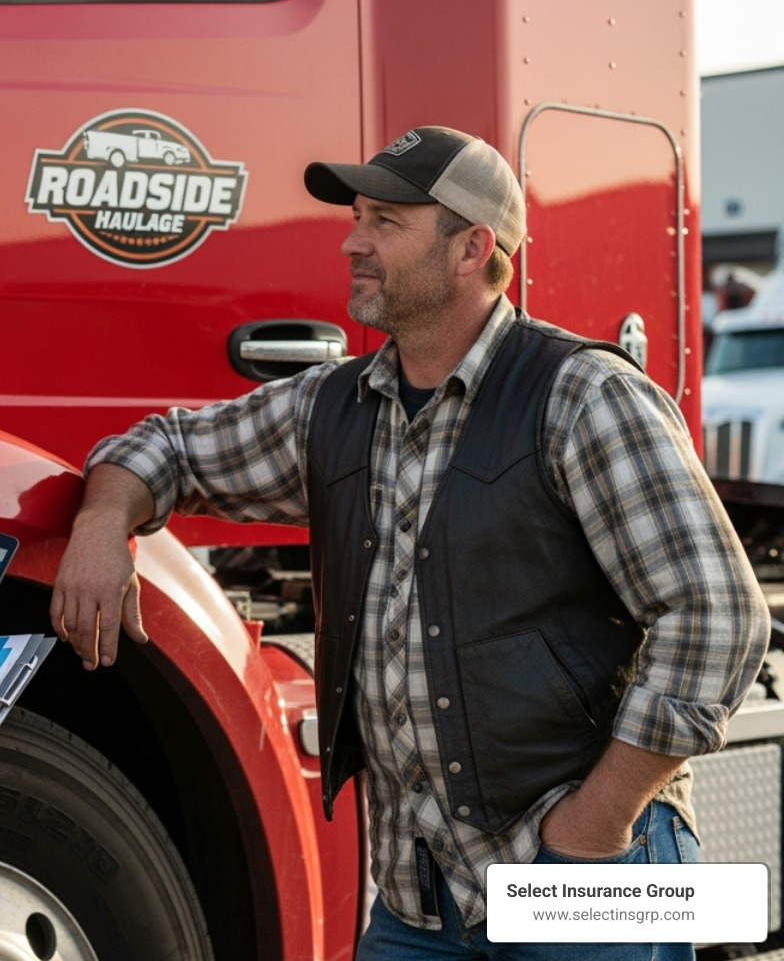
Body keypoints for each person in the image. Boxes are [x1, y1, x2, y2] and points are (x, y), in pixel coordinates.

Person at [50, 126, 769, 959]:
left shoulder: (585, 398)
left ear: (472, 249)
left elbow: (717, 617)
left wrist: (595, 826)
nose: (353, 242)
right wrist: (103, 522)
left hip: (585, 875)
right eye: (356, 216)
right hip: (419, 905)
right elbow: (164, 448)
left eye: (385, 222)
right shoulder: (332, 407)